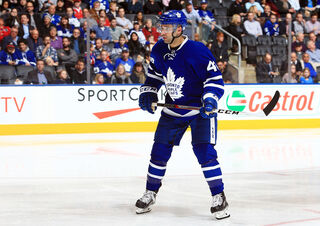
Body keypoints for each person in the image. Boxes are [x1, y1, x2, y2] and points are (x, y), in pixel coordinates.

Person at [135, 10, 229, 220]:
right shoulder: (159, 49)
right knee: (158, 151)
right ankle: (150, 193)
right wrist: (148, 93)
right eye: (161, 27)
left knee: (204, 152)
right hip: (173, 109)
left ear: (179, 29)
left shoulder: (197, 51)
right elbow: (154, 77)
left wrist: (211, 99)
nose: (162, 32)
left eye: (166, 28)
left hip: (199, 111)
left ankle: (219, 196)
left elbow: (214, 80)